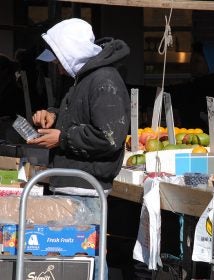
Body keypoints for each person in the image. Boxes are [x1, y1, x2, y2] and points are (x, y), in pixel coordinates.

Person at [28, 18, 131, 280]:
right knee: (72, 265)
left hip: (86, 192)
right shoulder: (84, 79)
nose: (57, 68)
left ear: (71, 52)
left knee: (88, 264)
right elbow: (80, 119)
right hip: (72, 188)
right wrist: (52, 115)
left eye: (59, 59)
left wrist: (61, 139)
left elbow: (109, 138)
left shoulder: (104, 80)